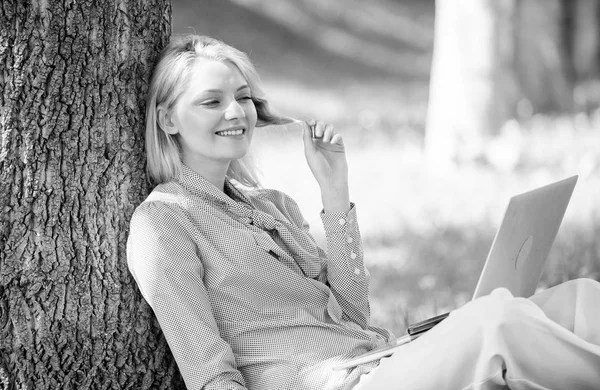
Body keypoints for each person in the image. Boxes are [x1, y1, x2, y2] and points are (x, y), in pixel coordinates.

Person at [126, 34, 600, 390]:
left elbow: (353, 313)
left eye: (243, 96)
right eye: (212, 101)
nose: (236, 112)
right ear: (168, 118)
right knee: (498, 324)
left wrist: (336, 196)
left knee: (580, 299)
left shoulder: (272, 206)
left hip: (381, 360)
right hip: (335, 385)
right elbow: (208, 374)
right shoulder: (165, 223)